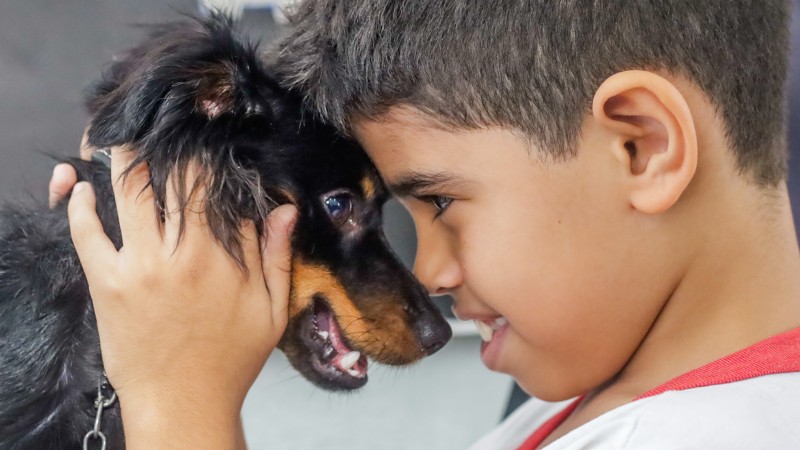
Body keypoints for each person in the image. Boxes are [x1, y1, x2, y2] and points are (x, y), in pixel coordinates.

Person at [50, 1, 800, 448]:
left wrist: (177, 402)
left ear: (641, 147)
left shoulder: (709, 438)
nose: (430, 275)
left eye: (438, 202)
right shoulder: (612, 397)